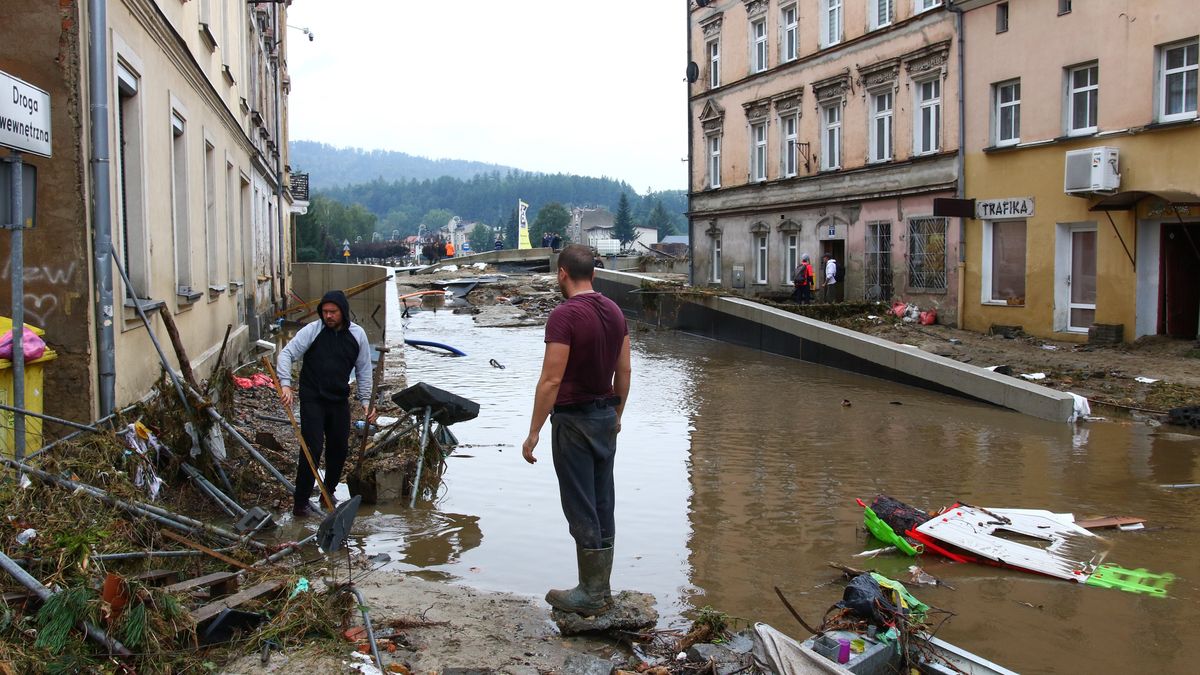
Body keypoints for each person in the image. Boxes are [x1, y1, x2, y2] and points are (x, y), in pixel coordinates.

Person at [523, 244, 632, 615]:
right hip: (605, 418)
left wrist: (534, 430)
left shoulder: (564, 316)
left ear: (562, 274)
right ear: (595, 274)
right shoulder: (615, 312)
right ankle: (602, 589)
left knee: (580, 504)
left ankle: (589, 592)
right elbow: (625, 370)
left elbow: (551, 380)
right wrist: (618, 412)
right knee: (604, 501)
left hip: (573, 422)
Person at [277, 290, 375, 517]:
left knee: (339, 449)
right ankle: (300, 504)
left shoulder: (357, 335)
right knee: (311, 448)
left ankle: (327, 492)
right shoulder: (312, 331)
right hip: (313, 398)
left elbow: (363, 370)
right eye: (325, 312)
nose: (328, 316)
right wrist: (285, 384)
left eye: (333, 312)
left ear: (343, 312)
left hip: (338, 399)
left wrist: (366, 401)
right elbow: (286, 354)